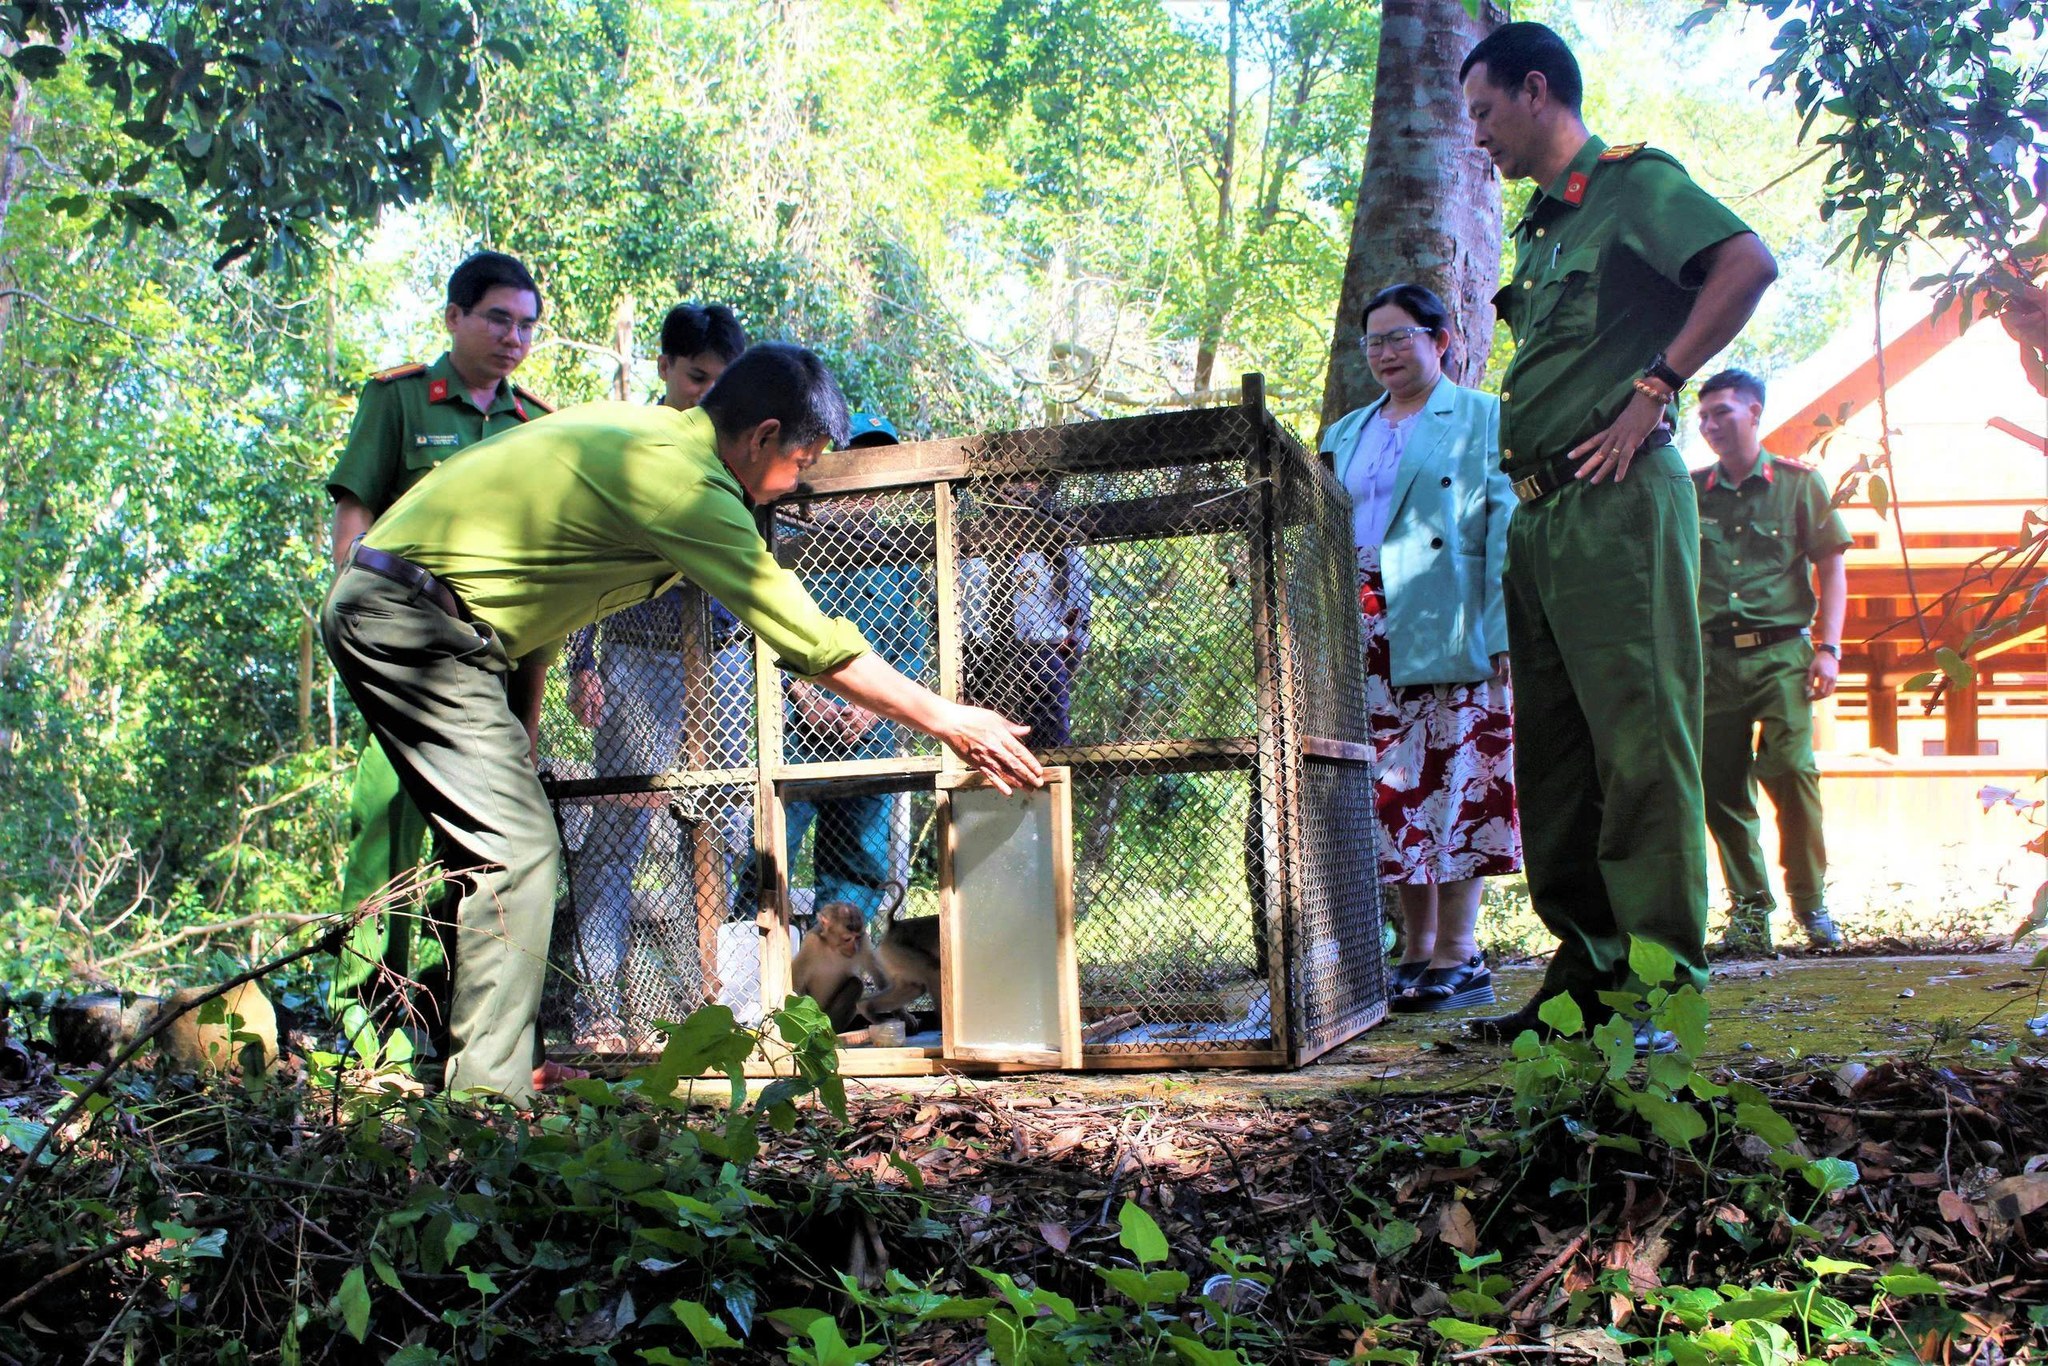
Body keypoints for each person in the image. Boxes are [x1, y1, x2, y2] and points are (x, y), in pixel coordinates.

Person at [320, 342, 1041, 1105]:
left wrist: (524, 728)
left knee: (488, 848)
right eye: (802, 461)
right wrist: (949, 718)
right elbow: (809, 639)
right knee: (520, 846)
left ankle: (493, 1057)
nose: (800, 484)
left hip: (441, 622)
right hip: (408, 618)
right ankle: (488, 1102)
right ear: (761, 436)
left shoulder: (643, 443)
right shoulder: (685, 484)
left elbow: (535, 601)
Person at [1456, 22, 1779, 1049]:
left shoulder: (1631, 186)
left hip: (1617, 503)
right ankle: (1584, 985)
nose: (1477, 137)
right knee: (1555, 759)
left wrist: (1658, 384)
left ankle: (1660, 991)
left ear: (1536, 88)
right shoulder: (1540, 230)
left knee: (1641, 746)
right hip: (1541, 515)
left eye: (1483, 112)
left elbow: (1744, 262)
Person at [324, 250, 550, 1067]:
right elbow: (354, 527)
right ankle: (362, 1034)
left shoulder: (535, 425)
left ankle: (443, 1031)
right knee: (383, 833)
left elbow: (537, 581)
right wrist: (361, 651)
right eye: (497, 318)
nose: (513, 338)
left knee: (481, 854)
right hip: (403, 659)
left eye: (526, 324)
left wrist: (526, 716)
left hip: (484, 671)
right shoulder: (399, 400)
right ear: (454, 317)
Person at [1319, 283, 1521, 1015]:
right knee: (1391, 785)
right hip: (1362, 618)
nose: (1384, 353)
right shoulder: (1346, 432)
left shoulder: (1482, 416)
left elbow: (1503, 526)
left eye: (1400, 337)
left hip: (1446, 612)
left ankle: (1460, 953)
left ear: (1441, 340)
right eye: (1373, 341)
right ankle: (1414, 948)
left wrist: (1499, 632)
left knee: (1458, 772)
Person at [560, 303, 750, 1049]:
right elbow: (587, 557)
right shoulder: (628, 444)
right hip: (636, 659)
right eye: (697, 377)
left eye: (722, 381)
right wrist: (582, 661)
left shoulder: (739, 448)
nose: (709, 392)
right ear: (665, 369)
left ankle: (709, 1008)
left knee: (723, 827)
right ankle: (599, 1012)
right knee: (619, 830)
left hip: (727, 658)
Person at [732, 412, 933, 928]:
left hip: (868, 734)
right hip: (795, 732)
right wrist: (802, 694)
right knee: (767, 851)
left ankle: (839, 986)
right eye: (853, 461)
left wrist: (873, 713)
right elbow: (763, 627)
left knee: (857, 864)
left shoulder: (902, 557)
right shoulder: (786, 542)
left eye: (875, 469)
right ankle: (749, 976)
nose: (860, 493)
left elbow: (913, 648)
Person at [1691, 369, 1849, 955]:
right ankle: (1751, 914)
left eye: (1723, 413)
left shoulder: (1799, 484)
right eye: (1704, 417)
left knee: (1791, 771)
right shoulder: (1689, 489)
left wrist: (1828, 648)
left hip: (1783, 653)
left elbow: (1831, 566)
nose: (1710, 426)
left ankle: (1812, 907)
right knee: (1720, 786)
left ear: (1754, 413)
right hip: (1710, 660)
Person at [960, 480, 1092, 747]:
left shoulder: (1062, 540)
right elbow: (954, 612)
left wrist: (1061, 658)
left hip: (1043, 656)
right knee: (988, 752)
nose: (1019, 487)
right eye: (1009, 480)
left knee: (1050, 754)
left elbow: (1080, 613)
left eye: (1030, 480)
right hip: (983, 659)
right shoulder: (968, 540)